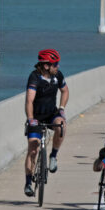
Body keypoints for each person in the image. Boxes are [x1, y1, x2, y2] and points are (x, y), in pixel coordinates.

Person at [24, 49, 69, 197]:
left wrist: (61, 109)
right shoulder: (34, 78)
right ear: (46, 66)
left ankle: (53, 156)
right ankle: (28, 182)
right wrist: (31, 119)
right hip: (36, 116)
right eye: (55, 64)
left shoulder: (58, 76)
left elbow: (65, 91)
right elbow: (29, 100)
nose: (57, 67)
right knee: (33, 149)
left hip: (51, 114)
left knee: (61, 126)